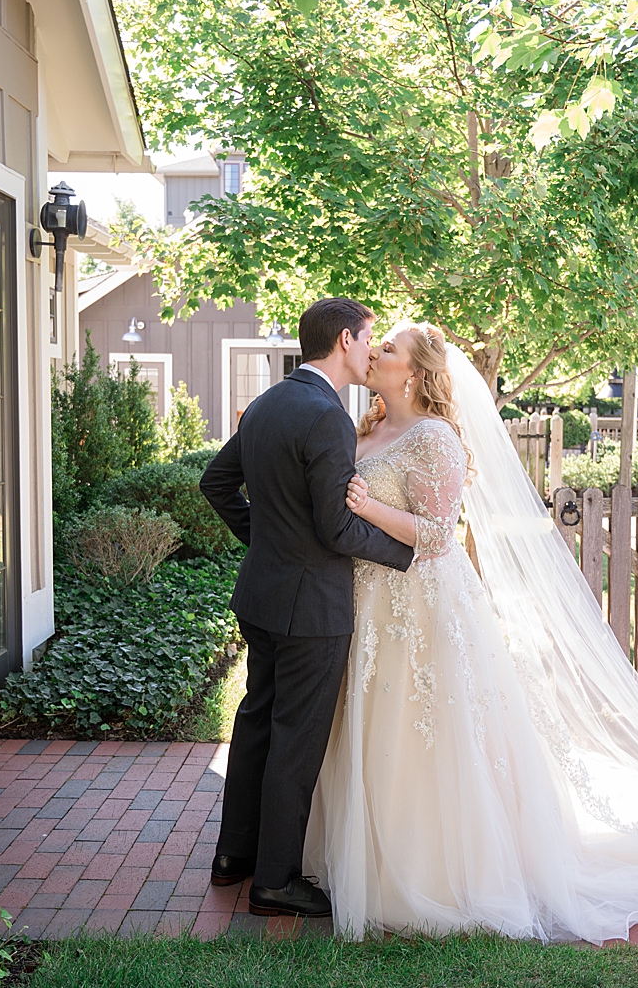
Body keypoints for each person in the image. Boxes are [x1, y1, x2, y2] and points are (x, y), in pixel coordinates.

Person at [302, 321, 638, 943]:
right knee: (368, 728)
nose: (372, 354)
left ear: (415, 373)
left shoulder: (436, 438)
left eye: (386, 349)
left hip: (419, 605)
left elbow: (440, 533)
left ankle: (432, 874)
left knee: (421, 735)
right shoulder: (364, 429)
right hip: (366, 602)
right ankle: (362, 859)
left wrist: (366, 507)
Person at [199, 298, 414, 919]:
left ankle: (232, 857)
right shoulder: (325, 417)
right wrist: (404, 552)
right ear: (344, 340)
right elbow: (339, 531)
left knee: (257, 723)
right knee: (295, 740)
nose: (371, 349)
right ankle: (274, 881)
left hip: (262, 594)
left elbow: (216, 483)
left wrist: (266, 542)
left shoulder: (268, 402)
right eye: (368, 337)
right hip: (311, 609)